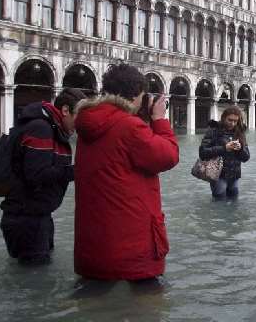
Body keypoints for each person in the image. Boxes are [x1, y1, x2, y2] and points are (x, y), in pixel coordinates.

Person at [73, 64, 179, 284]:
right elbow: (168, 156)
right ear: (135, 95)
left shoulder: (90, 122)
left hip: (95, 244)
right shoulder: (128, 126)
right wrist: (159, 119)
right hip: (131, 245)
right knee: (146, 305)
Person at [0, 87, 86, 265]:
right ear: (65, 110)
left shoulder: (50, 128)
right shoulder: (41, 129)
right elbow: (36, 175)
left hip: (37, 217)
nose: (82, 122)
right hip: (26, 221)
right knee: (33, 282)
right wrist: (79, 170)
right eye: (80, 115)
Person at [199, 106, 250, 200]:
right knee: (219, 205)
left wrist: (240, 148)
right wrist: (224, 148)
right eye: (230, 120)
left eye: (235, 121)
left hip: (234, 176)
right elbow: (202, 153)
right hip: (218, 175)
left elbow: (246, 157)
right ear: (223, 117)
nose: (232, 123)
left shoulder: (240, 132)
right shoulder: (213, 130)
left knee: (234, 203)